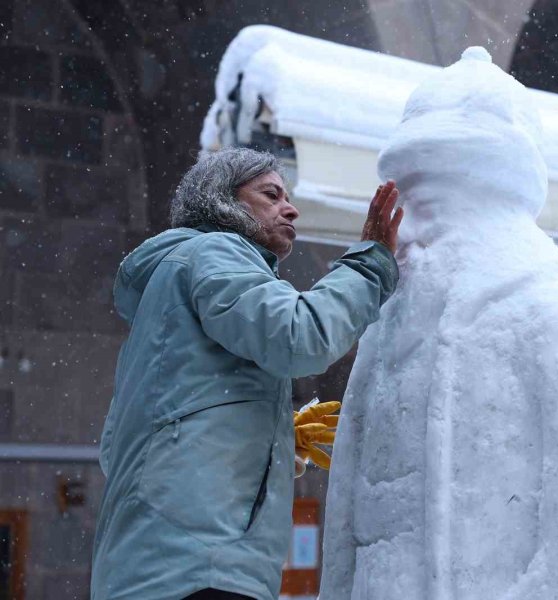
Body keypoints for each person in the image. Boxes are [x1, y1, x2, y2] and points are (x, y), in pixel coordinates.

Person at [90, 147, 403, 600]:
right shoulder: (216, 250)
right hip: (199, 566)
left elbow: (124, 445)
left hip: (158, 567)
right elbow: (300, 336)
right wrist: (369, 264)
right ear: (223, 202)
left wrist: (267, 437)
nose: (290, 207)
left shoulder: (167, 294)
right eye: (271, 194)